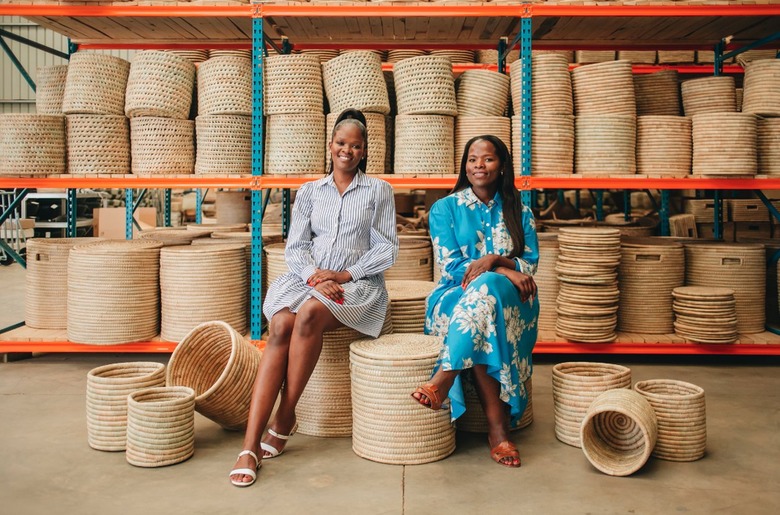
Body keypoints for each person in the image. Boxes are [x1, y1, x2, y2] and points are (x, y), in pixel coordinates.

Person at [230, 109, 399, 487]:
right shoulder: (309, 191)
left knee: (307, 316)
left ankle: (286, 415)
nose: (347, 151)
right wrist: (313, 277)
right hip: (309, 279)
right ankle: (249, 445)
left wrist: (341, 275)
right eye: (341, 143)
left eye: (355, 146)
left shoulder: (379, 191)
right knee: (280, 324)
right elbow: (296, 246)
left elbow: (387, 248)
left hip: (357, 284)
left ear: (364, 150)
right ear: (330, 145)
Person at [412, 135, 539, 468]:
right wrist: (501, 269)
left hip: (514, 302)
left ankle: (445, 375)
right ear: (464, 165)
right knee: (484, 306)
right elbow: (452, 267)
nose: (479, 166)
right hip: (455, 294)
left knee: (490, 293)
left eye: (488, 159)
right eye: (472, 159)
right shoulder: (445, 209)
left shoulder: (520, 209)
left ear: (501, 166)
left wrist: (498, 264)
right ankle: (498, 431)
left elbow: (530, 265)